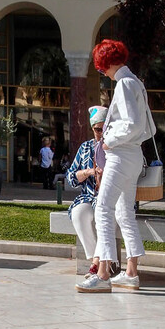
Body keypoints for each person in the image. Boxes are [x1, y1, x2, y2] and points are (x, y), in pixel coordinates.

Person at [76, 39, 154, 293]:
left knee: (103, 209)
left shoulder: (124, 84)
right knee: (123, 213)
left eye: (101, 68)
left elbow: (130, 123)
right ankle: (130, 272)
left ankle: (103, 274)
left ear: (106, 63)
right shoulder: (136, 84)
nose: (103, 72)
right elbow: (147, 127)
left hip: (121, 155)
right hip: (133, 156)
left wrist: (108, 140)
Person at [66, 106, 106, 277]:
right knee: (79, 213)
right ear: (92, 128)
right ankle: (94, 259)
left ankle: (97, 263)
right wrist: (88, 172)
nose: (101, 133)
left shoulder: (114, 147)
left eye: (105, 129)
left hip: (109, 198)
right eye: (97, 129)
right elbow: (71, 177)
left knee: (101, 216)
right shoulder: (85, 148)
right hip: (89, 196)